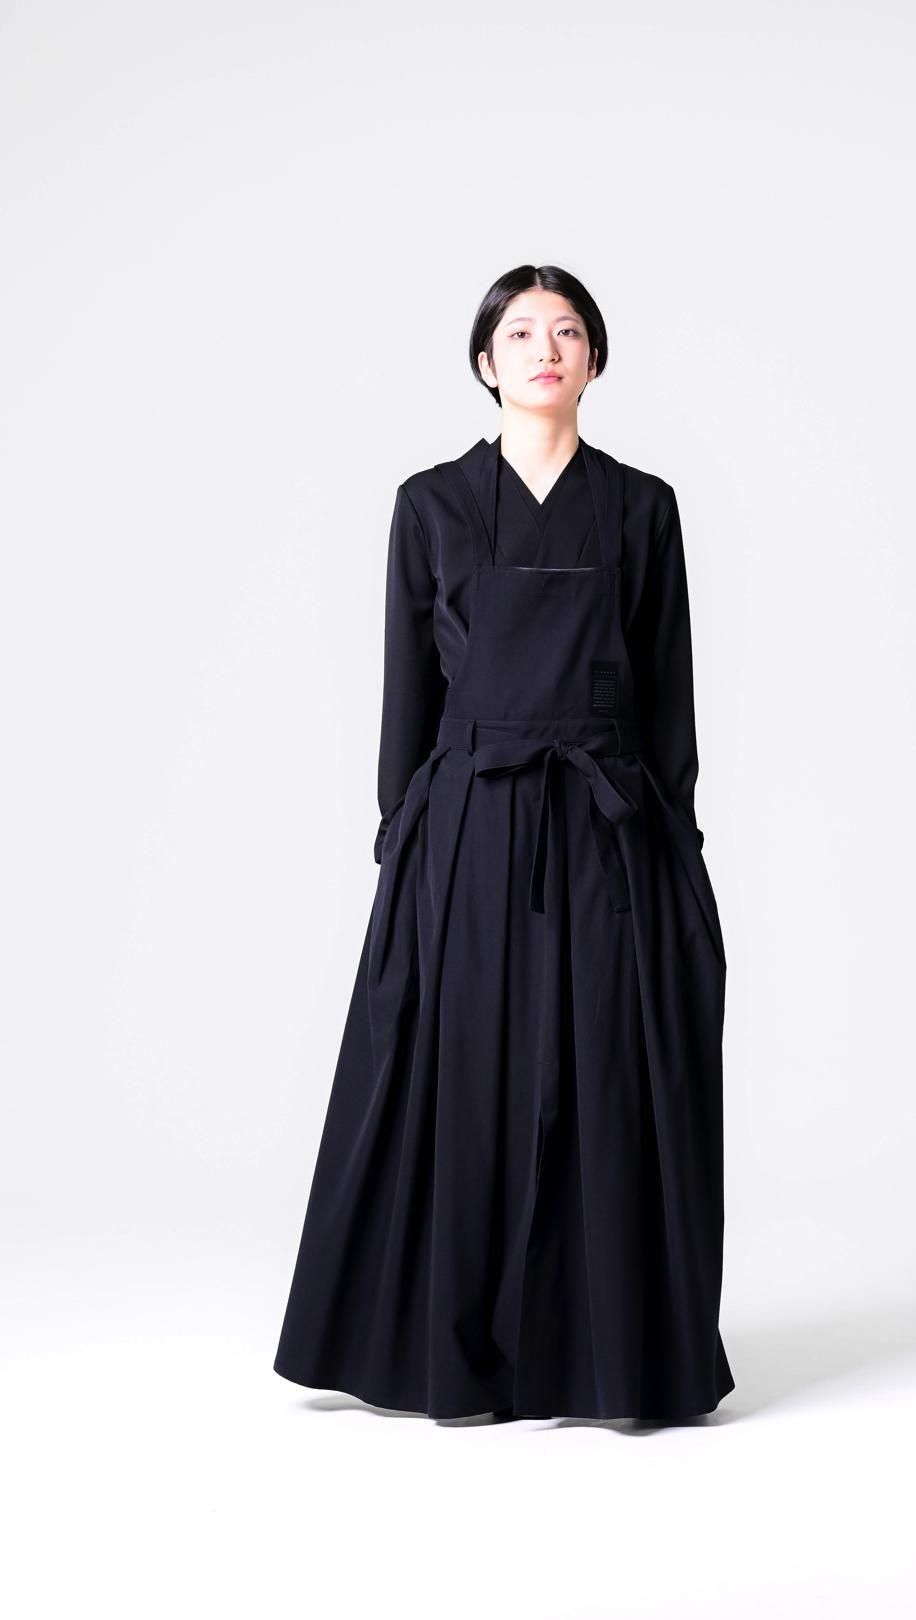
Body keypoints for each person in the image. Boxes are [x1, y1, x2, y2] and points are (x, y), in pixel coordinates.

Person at [273, 263, 734, 1421]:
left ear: (594, 360)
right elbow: (408, 691)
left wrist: (673, 837)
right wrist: (404, 832)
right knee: (463, 1076)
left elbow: (668, 690)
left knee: (605, 1074)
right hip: (471, 817)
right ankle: (452, 1349)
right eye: (520, 332)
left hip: (605, 820)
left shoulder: (642, 507)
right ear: (486, 361)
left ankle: (605, 1354)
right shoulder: (430, 504)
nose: (545, 349)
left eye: (566, 331)